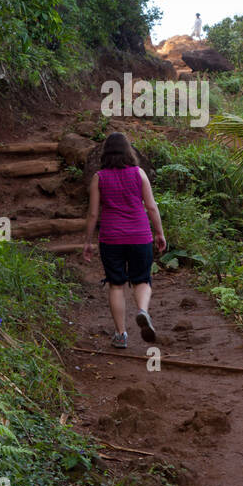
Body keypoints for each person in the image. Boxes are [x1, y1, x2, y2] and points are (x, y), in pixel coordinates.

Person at [83, 131, 167, 349]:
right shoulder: (139, 174)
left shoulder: (99, 178)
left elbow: (93, 213)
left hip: (111, 239)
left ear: (105, 153)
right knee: (142, 280)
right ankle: (142, 311)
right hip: (140, 236)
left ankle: (121, 335)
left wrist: (88, 242)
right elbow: (151, 206)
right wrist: (160, 233)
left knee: (116, 285)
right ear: (128, 151)